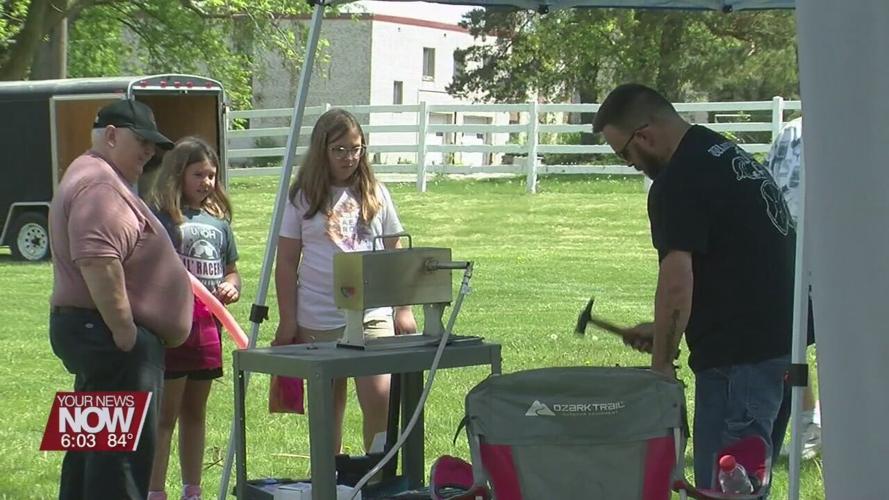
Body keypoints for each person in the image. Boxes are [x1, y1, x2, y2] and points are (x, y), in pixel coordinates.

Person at [593, 84, 794, 491]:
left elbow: (676, 280)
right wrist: (665, 328)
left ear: (644, 135)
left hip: (740, 361)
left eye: (624, 153)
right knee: (748, 486)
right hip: (777, 350)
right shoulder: (719, 152)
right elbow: (736, 261)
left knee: (721, 490)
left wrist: (663, 364)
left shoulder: (678, 182)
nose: (630, 164)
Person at [48, 99, 193, 500]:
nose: (150, 152)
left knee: (89, 452)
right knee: (119, 463)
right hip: (110, 338)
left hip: (95, 333)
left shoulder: (93, 175)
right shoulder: (98, 185)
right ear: (111, 135)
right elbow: (98, 261)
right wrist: (125, 330)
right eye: (142, 141)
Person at [273, 108, 418, 454]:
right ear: (321, 150)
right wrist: (287, 320)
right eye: (339, 149)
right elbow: (287, 262)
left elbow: (394, 253)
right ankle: (330, 480)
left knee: (379, 400)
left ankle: (376, 476)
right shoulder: (301, 197)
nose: (349, 157)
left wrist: (403, 309)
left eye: (356, 148)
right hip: (318, 315)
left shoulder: (376, 193)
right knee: (327, 408)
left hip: (371, 314)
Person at [146, 137, 241, 500]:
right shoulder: (161, 219)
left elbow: (232, 272)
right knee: (164, 416)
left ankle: (192, 490)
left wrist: (232, 286)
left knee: (195, 413)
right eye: (198, 174)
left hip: (208, 333)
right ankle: (155, 490)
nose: (207, 182)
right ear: (178, 174)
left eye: (212, 175)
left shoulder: (219, 225)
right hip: (173, 331)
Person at [764, 117, 822, 461]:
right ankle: (807, 421)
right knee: (791, 342)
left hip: (857, 253)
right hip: (796, 254)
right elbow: (771, 191)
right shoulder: (792, 133)